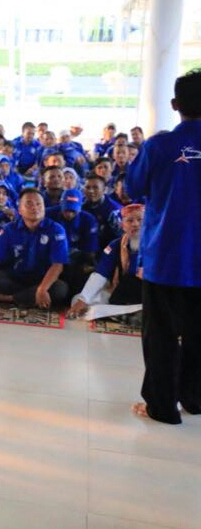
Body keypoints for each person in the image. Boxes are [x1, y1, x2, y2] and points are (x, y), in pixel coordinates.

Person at [124, 69, 201, 425]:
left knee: (161, 335)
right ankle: (195, 400)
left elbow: (133, 187)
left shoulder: (158, 146)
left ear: (174, 104)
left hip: (167, 257)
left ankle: (162, 406)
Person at [0, 188, 70, 309]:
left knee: (61, 289)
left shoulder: (56, 229)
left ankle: (9, 298)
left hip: (43, 279)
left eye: (38, 204)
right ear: (20, 210)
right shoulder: (9, 229)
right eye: (29, 204)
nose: (35, 207)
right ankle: (29, 296)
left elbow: (58, 265)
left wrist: (42, 288)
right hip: (17, 277)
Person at [69, 204, 144, 321]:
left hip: (148, 294)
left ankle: (131, 314)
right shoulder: (115, 245)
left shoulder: (158, 247)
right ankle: (128, 314)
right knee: (77, 299)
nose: (135, 224)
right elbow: (101, 273)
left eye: (140, 220)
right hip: (120, 293)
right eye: (130, 221)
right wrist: (83, 300)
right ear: (122, 225)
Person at [45, 189, 98, 294]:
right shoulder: (48, 215)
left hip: (76, 258)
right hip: (51, 257)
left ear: (80, 207)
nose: (69, 214)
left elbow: (90, 251)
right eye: (66, 210)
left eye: (73, 211)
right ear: (60, 204)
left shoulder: (88, 220)